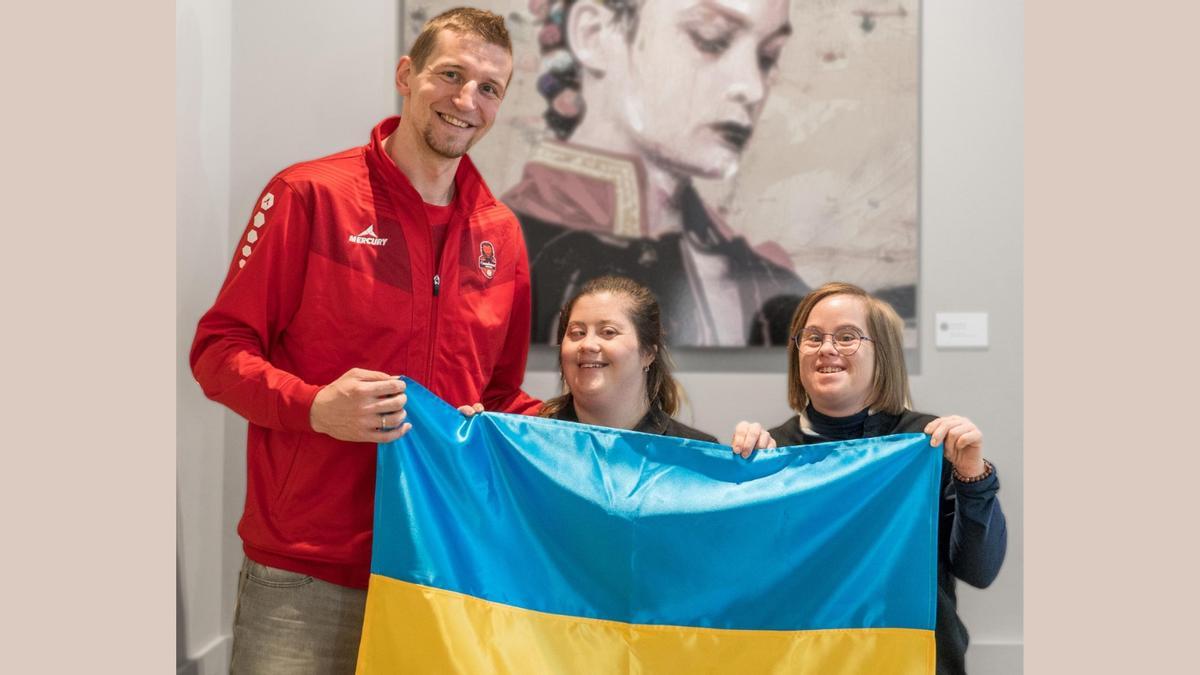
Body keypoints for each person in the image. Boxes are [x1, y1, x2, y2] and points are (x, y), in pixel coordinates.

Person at [188, 9, 540, 673]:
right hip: (305, 575)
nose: (467, 100)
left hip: (439, 570)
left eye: (490, 88)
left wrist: (613, 442)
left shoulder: (503, 236)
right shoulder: (308, 196)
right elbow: (218, 352)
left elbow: (499, 397)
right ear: (406, 75)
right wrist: (315, 405)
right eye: (451, 74)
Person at [730, 282, 1007, 675]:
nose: (826, 348)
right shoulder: (773, 451)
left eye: (846, 337)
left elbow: (980, 571)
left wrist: (972, 478)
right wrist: (742, 474)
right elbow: (746, 581)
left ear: (884, 353)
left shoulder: (930, 445)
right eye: (813, 337)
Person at [503, 0, 809, 347]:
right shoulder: (498, 253)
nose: (752, 88)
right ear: (594, 34)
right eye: (711, 39)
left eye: (767, 56)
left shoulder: (765, 282)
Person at [540, 275, 716, 441]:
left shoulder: (695, 457)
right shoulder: (529, 445)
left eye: (608, 332)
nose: (587, 344)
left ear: (648, 353)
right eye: (577, 332)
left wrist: (742, 459)